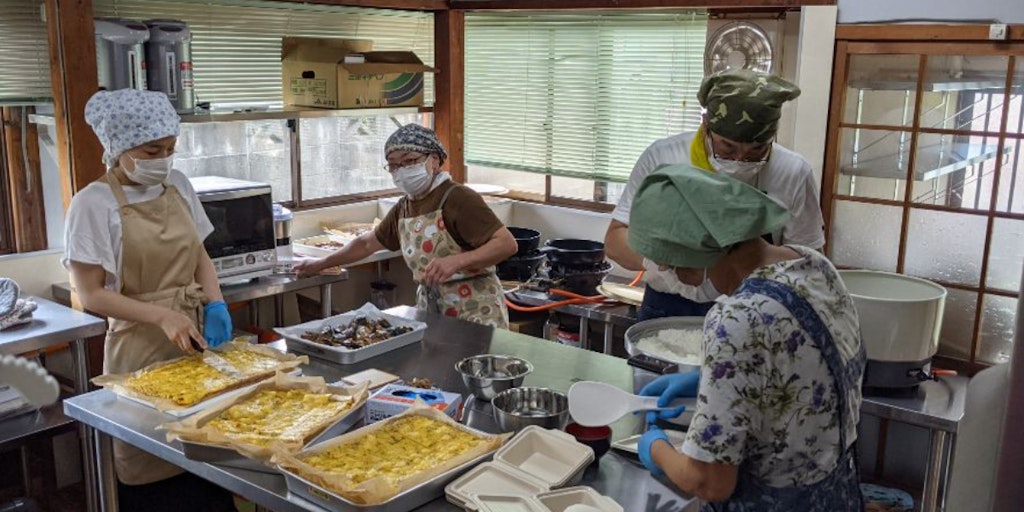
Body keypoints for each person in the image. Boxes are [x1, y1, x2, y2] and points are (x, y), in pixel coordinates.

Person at [628, 164, 865, 511]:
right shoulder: (815, 267)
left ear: (698, 251)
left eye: (671, 264)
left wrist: (655, 449)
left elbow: (709, 481)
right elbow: (799, 372)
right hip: (838, 496)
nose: (673, 275)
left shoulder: (735, 319)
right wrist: (710, 380)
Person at [63, 89, 235, 512]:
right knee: (155, 469)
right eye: (152, 149)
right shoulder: (92, 204)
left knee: (209, 456)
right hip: (138, 350)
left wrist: (215, 303)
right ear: (119, 149)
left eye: (171, 148)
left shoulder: (176, 184)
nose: (164, 158)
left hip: (194, 344)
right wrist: (161, 316)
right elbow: (91, 294)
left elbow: (199, 255)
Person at [604, 69, 825, 321]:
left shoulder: (793, 172)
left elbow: (810, 264)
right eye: (727, 146)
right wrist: (662, 261)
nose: (741, 159)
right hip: (667, 306)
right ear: (706, 127)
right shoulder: (663, 158)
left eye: (756, 150)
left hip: (752, 311)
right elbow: (614, 240)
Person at [295, 124, 517, 329]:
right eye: (393, 165)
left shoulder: (457, 197)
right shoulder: (405, 206)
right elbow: (366, 244)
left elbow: (506, 244)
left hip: (475, 309)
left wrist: (457, 261)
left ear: (435, 160)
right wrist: (321, 263)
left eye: (409, 161)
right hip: (431, 309)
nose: (401, 170)